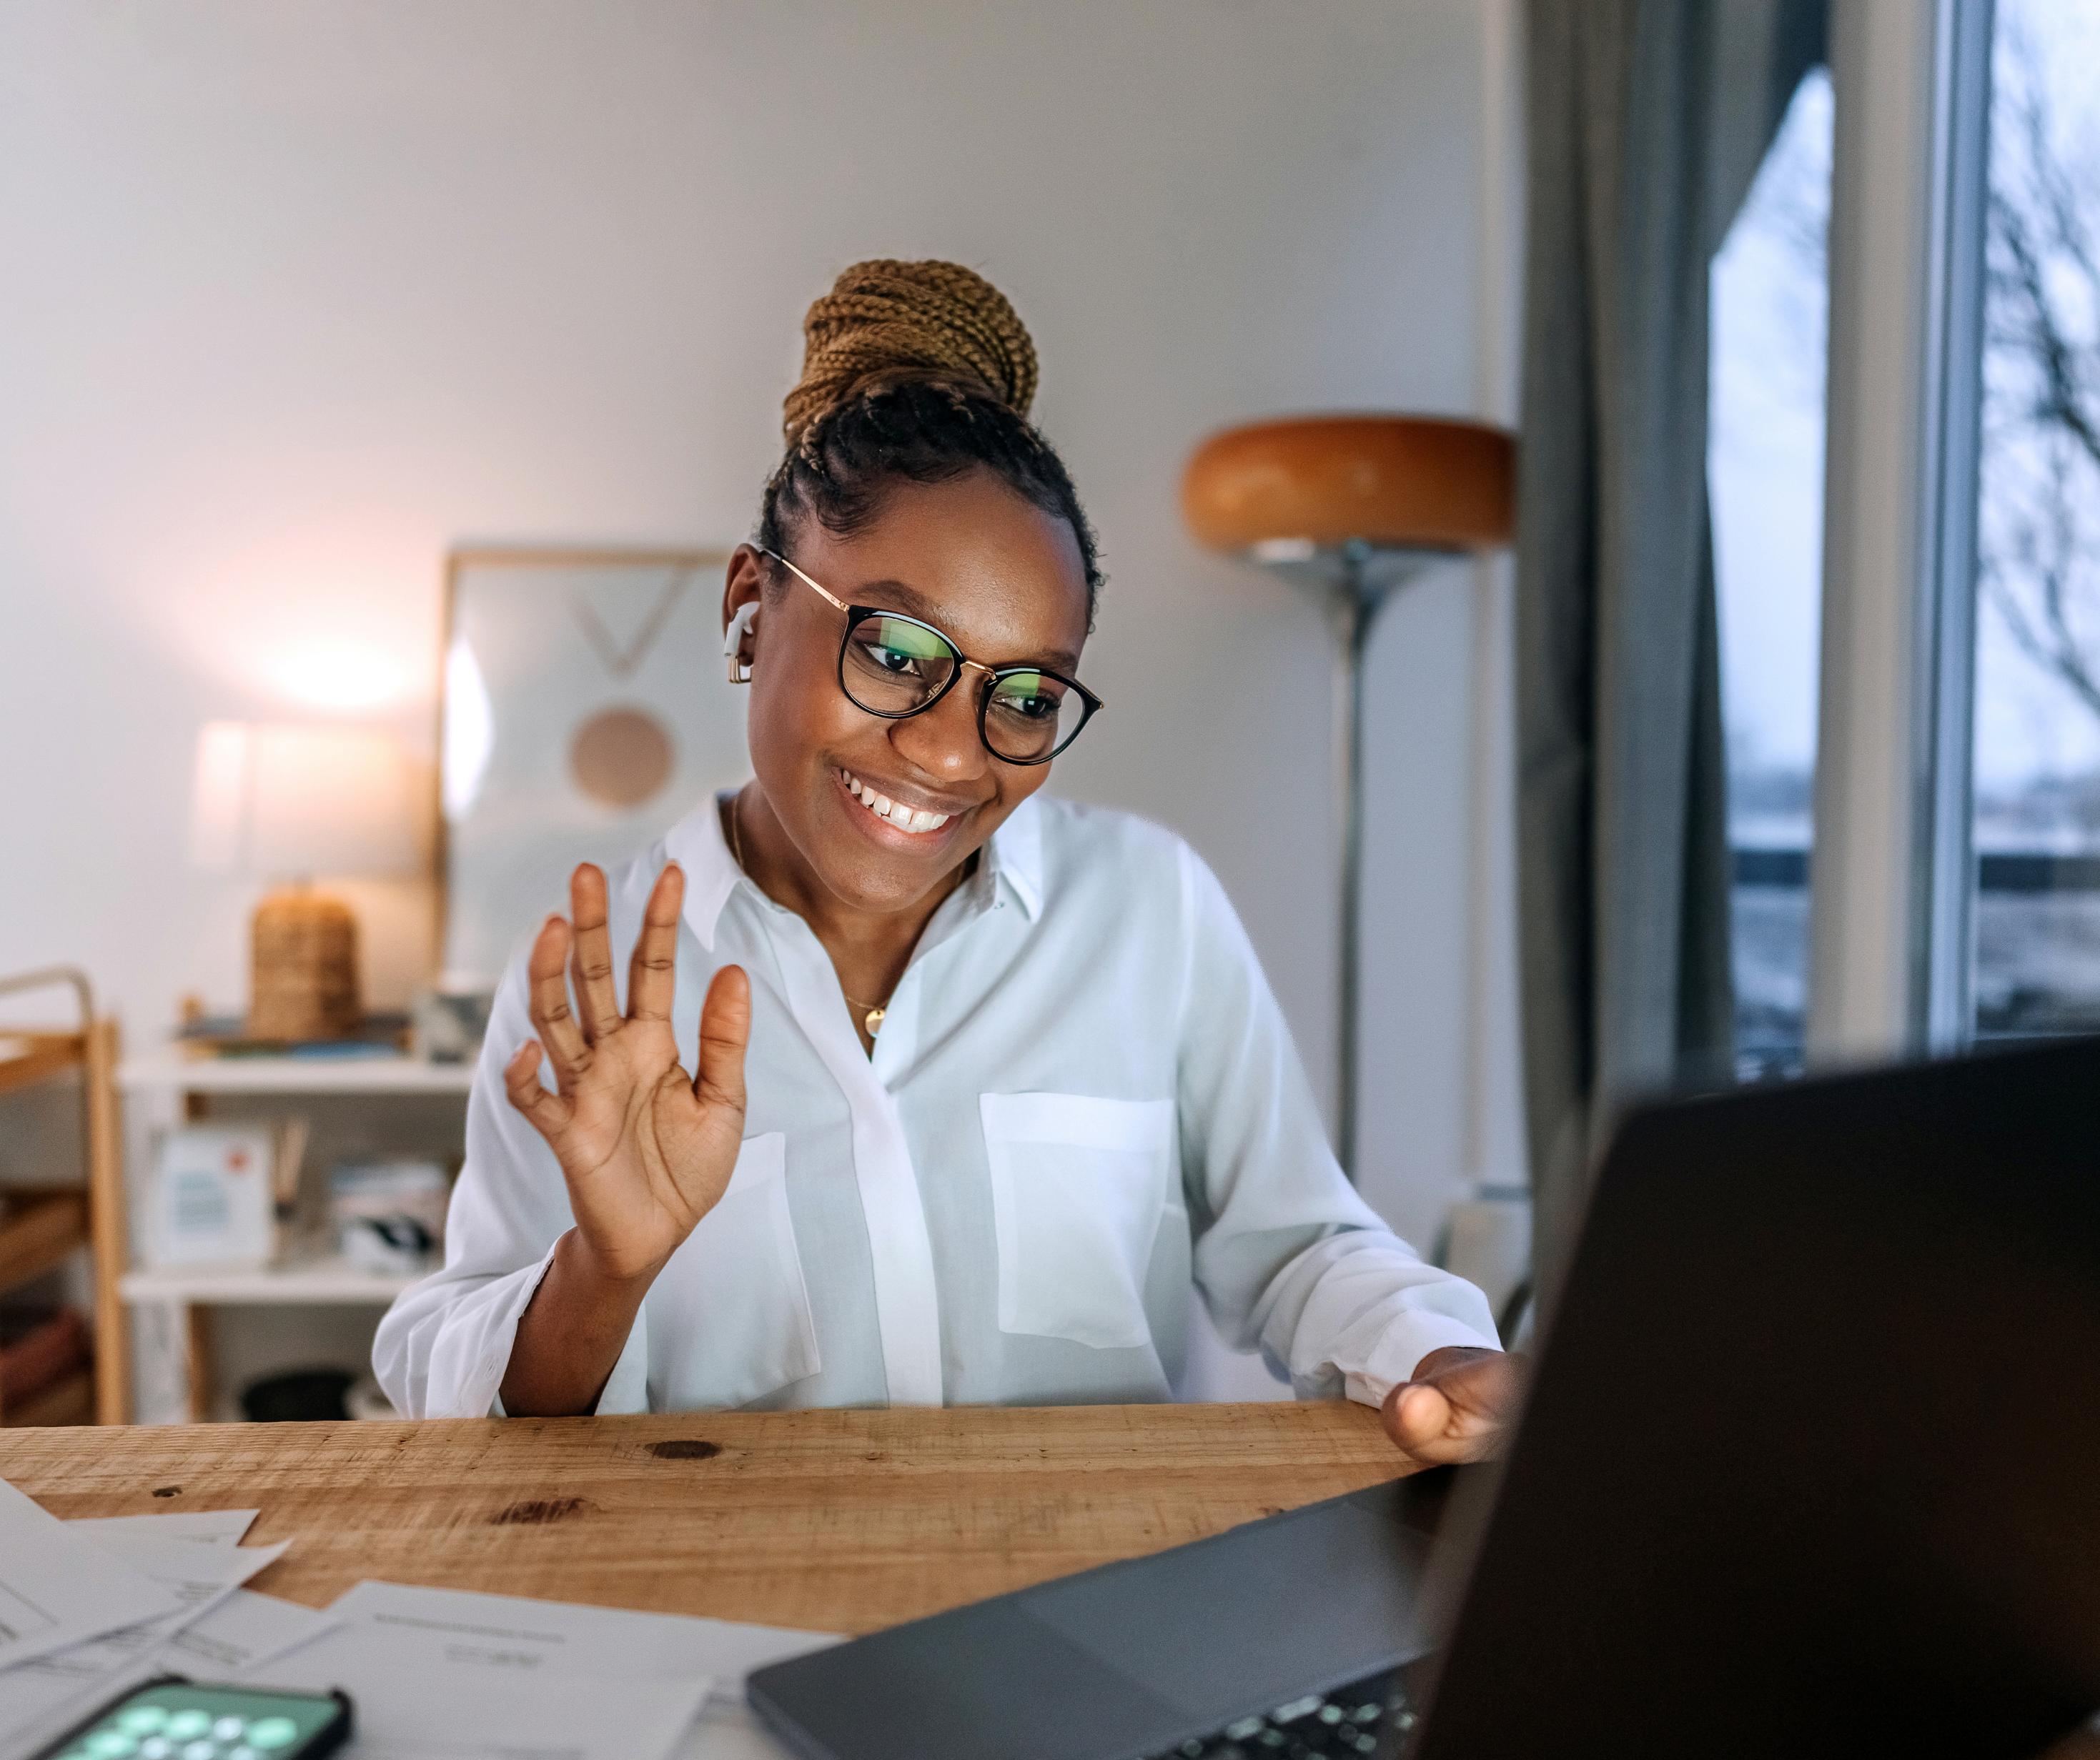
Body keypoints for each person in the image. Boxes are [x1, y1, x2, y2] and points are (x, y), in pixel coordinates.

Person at [375, 259, 1520, 1468]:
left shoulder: (1148, 907)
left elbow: (1298, 1246)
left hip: (1084, 1609)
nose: (943, 750)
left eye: (1023, 694)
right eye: (896, 648)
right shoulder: (595, 973)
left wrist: (1436, 1353)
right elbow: (452, 1382)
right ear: (752, 602)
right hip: (727, 1612)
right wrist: (602, 1276)